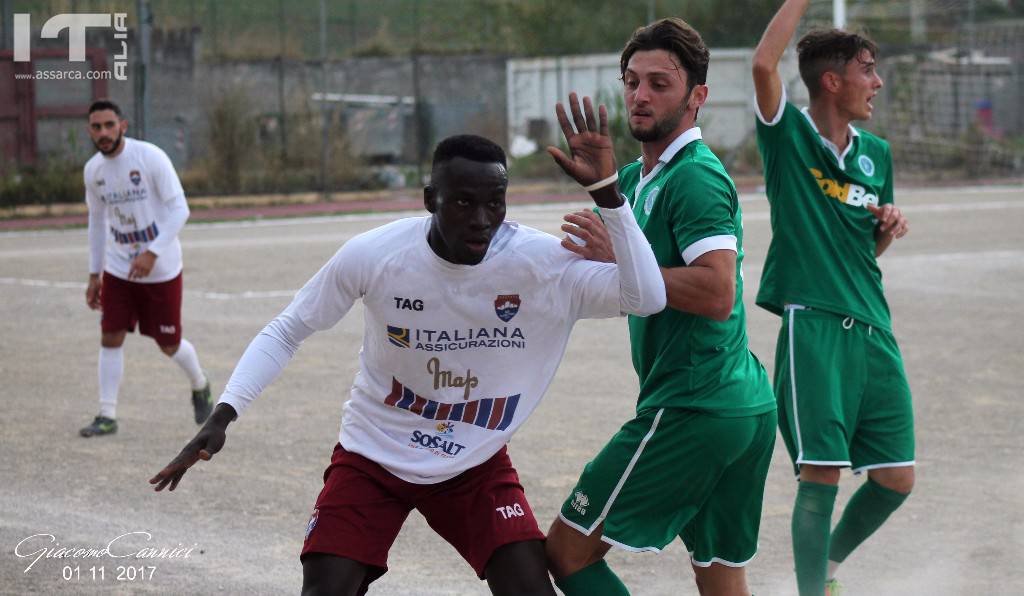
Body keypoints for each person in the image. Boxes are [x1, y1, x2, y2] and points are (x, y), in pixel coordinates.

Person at [149, 117, 667, 595]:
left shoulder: (543, 265)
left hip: (475, 463)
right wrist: (223, 414)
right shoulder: (376, 255)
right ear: (430, 200)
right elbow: (288, 329)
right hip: (372, 454)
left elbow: (647, 297)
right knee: (325, 590)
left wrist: (608, 196)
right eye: (463, 203)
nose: (483, 220)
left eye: (496, 202)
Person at [544, 18, 776, 596]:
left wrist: (622, 260)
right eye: (631, 81)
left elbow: (718, 293)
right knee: (721, 578)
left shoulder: (695, 179)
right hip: (739, 404)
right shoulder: (632, 180)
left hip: (694, 405)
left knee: (568, 551)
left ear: (698, 96)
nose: (640, 95)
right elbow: (595, 270)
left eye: (660, 83)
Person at [751, 2, 914, 594]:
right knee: (821, 474)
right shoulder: (789, 135)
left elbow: (865, 253)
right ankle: (811, 590)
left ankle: (829, 570)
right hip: (813, 325)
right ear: (832, 79)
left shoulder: (877, 155)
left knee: (897, 477)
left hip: (873, 326)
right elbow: (764, 64)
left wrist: (885, 229)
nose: (876, 82)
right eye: (867, 69)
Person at [80, 99, 212, 438]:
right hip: (119, 268)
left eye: (110, 125)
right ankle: (107, 415)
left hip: (161, 269)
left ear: (123, 125)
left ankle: (200, 384)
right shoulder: (93, 171)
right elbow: (96, 222)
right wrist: (95, 274)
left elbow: (179, 209)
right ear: (90, 131)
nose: (103, 132)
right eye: (97, 127)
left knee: (168, 344)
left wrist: (152, 253)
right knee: (111, 334)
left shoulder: (149, 157)